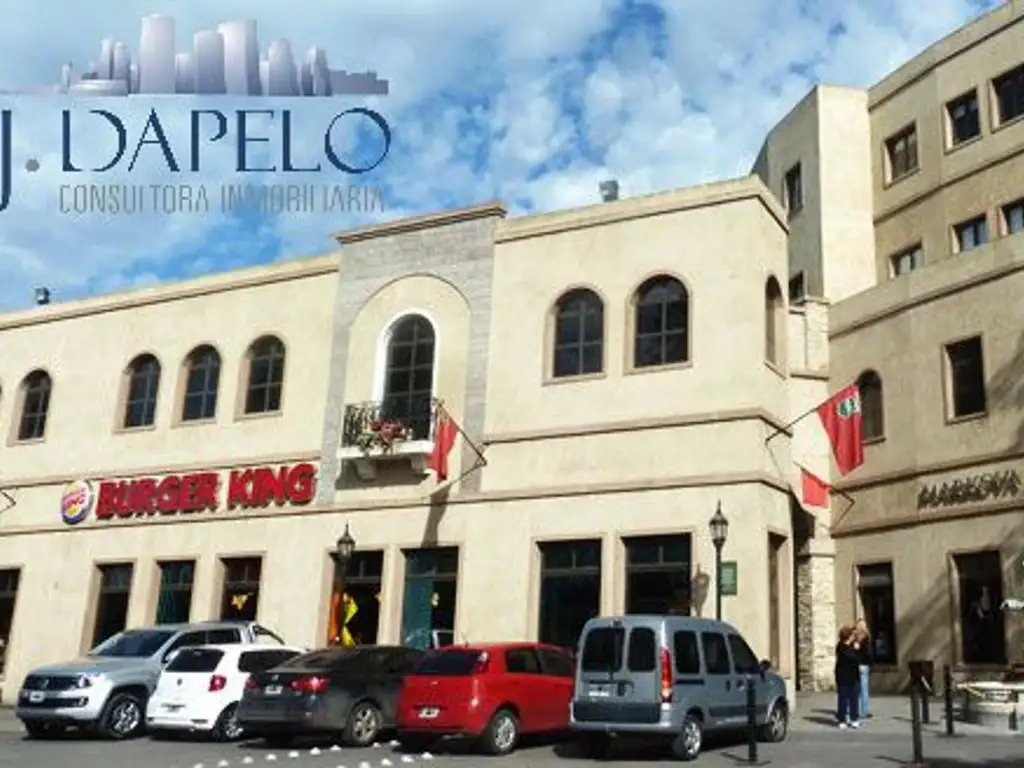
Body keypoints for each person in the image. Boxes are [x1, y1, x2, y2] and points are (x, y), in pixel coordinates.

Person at [834, 625, 861, 729]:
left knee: (854, 699)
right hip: (844, 677)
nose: (853, 637)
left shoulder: (847, 646)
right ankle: (842, 720)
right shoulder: (842, 647)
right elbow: (853, 658)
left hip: (852, 677)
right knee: (843, 700)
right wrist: (856, 650)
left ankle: (854, 719)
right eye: (852, 635)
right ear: (848, 636)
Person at [854, 619, 872, 719]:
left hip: (856, 665)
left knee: (856, 689)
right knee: (864, 690)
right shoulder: (867, 637)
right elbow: (868, 652)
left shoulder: (855, 637)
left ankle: (855, 710)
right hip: (864, 665)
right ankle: (864, 712)